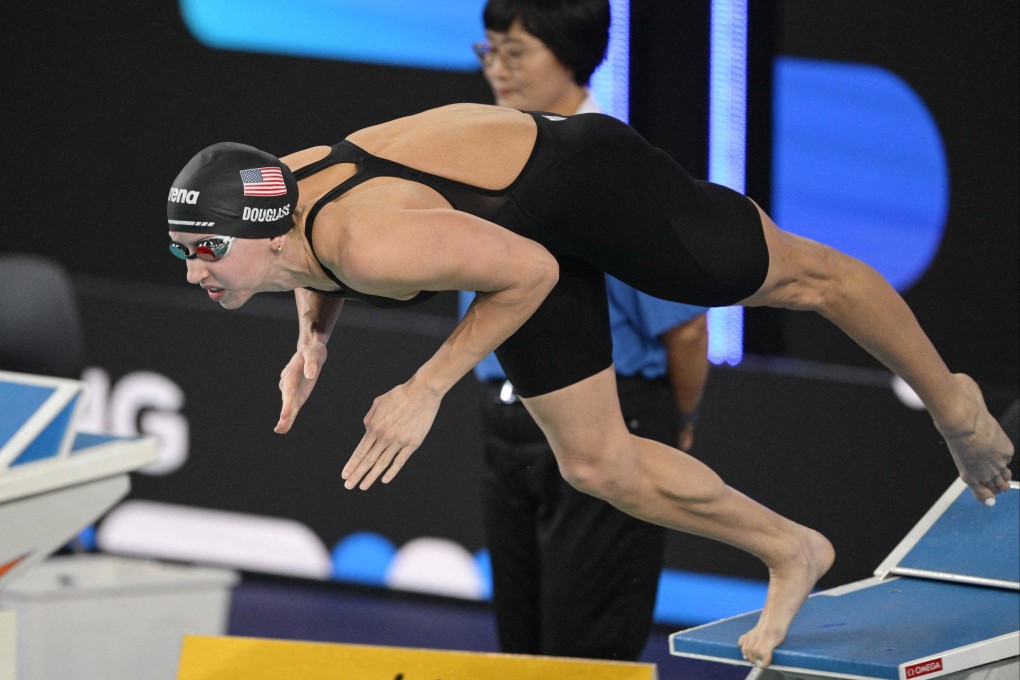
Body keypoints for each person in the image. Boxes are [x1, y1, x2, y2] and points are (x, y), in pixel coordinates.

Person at [165, 99, 1013, 666]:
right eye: (183, 252)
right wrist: (313, 339)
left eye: (205, 251)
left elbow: (528, 274)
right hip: (511, 236)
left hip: (587, 184)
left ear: (259, 233)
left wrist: (424, 387)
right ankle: (793, 549)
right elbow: (310, 264)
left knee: (806, 279)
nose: (195, 271)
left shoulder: (369, 245)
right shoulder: (281, 214)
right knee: (598, 465)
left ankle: (954, 402)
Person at [459, 0, 709, 659]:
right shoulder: (484, 154)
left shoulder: (613, 166)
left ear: (572, 55)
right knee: (521, 650)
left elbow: (685, 329)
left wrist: (678, 423)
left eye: (516, 53)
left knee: (585, 654)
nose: (498, 70)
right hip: (508, 422)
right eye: (490, 51)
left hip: (610, 418)